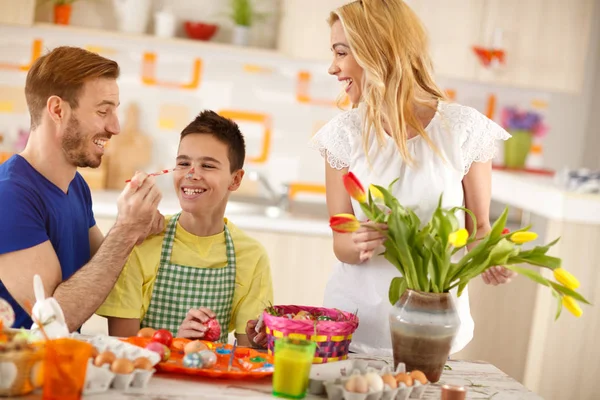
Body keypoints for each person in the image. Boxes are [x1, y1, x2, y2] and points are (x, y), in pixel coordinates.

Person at [311, 0, 517, 357]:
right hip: (355, 327)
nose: (333, 68)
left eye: (341, 53)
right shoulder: (343, 135)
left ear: (378, 51)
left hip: (432, 328)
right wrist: (359, 241)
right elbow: (340, 243)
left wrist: (492, 257)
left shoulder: (463, 130)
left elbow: (478, 227)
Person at [0, 46, 163, 332]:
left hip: (60, 366)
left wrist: (139, 229)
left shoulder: (75, 186)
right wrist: (124, 232)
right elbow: (53, 320)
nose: (115, 127)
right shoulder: (9, 195)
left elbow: (100, 279)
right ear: (58, 110)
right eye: (103, 111)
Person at [97, 110, 273, 348]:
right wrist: (177, 345)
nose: (192, 174)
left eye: (207, 166)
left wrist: (264, 341)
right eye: (184, 163)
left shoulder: (251, 256)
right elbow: (123, 346)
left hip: (215, 380)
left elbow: (247, 354)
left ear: (236, 180)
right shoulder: (142, 243)